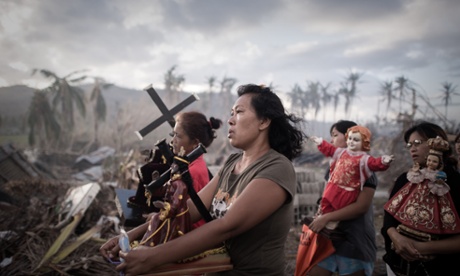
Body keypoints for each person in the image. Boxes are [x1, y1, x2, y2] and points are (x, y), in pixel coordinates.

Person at [99, 84, 306, 275]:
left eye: (239, 112)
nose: (230, 120)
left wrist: (153, 257)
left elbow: (227, 226)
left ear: (264, 121)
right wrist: (133, 235)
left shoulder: (277, 168)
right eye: (231, 113)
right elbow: (191, 209)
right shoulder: (232, 162)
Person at [381, 121, 460, 276]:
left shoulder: (455, 183)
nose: (412, 149)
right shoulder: (406, 179)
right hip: (397, 266)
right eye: (409, 145)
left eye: (417, 143)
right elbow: (389, 218)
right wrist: (396, 238)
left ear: (436, 144)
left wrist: (419, 247)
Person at [306, 120, 381, 276]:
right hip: (329, 236)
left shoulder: (364, 167)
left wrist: (326, 218)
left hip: (354, 239)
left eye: (335, 135)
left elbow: (360, 207)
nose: (332, 141)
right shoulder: (335, 165)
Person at [311, 125, 394, 229]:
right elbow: (330, 149)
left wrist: (383, 161)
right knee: (326, 201)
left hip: (348, 190)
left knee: (340, 205)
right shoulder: (341, 153)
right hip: (334, 186)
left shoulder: (364, 160)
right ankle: (323, 217)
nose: (351, 142)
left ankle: (331, 221)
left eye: (356, 140)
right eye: (350, 138)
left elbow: (375, 163)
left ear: (364, 142)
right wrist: (321, 142)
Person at [169, 111, 222, 228]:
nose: (173, 141)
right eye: (173, 134)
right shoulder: (191, 165)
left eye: (178, 135)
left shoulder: (193, 172)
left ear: (195, 143)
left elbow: (187, 217)